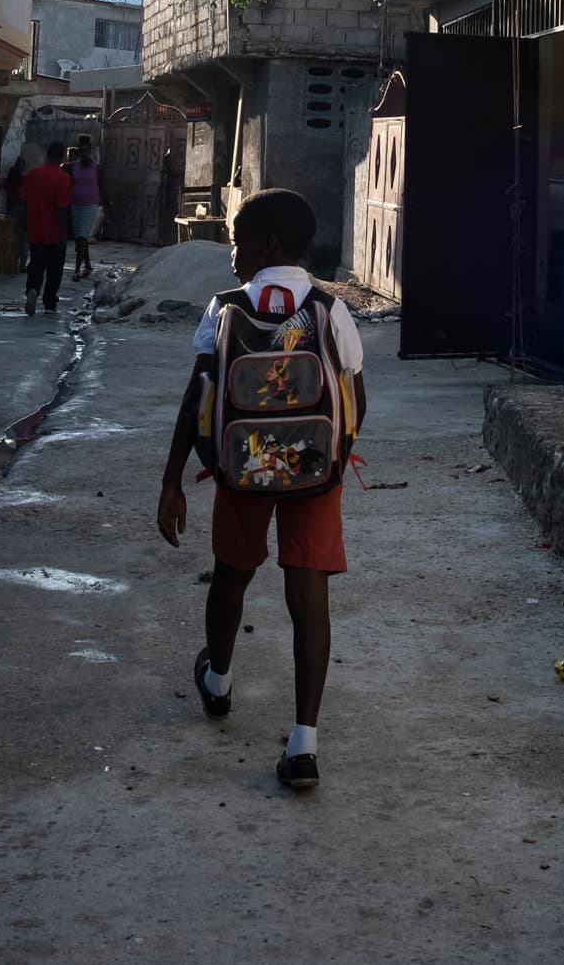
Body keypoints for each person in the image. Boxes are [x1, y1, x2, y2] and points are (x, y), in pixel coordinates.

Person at [154, 188, 365, 791]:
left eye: (239, 240)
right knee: (309, 598)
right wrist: (325, 458)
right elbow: (357, 399)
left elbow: (196, 401)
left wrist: (174, 482)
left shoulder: (225, 308)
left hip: (242, 469)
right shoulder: (330, 308)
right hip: (313, 474)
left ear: (267, 244)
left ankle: (218, 682)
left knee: (232, 574)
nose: (231, 253)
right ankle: (303, 746)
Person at [19, 141, 74, 316]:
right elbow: (62, 208)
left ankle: (33, 289)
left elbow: (25, 202)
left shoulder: (32, 175)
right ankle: (49, 302)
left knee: (36, 263)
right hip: (54, 231)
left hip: (35, 228)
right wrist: (64, 233)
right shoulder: (63, 178)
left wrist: (23, 224)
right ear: (63, 156)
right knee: (54, 268)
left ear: (47, 154)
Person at [67, 134, 103, 280]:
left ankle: (76, 270)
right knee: (80, 238)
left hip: (91, 204)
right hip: (76, 204)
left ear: (90, 151)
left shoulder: (96, 168)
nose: (84, 154)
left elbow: (103, 186)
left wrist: (107, 205)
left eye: (87, 151)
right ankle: (87, 265)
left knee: (82, 236)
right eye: (82, 151)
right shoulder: (72, 167)